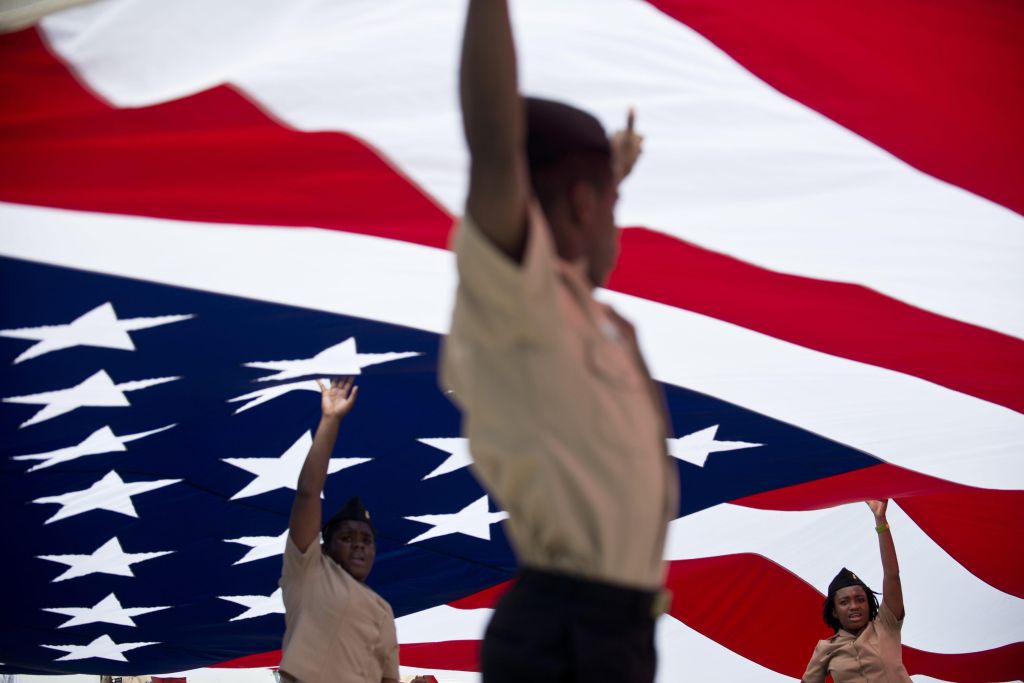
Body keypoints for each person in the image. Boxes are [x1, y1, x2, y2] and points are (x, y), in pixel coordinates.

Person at [441, 2, 678, 680]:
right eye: (612, 206)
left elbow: (562, 214)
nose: (618, 226)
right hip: (567, 633)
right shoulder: (520, 299)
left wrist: (607, 172)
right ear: (581, 205)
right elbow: (494, 141)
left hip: (617, 630)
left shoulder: (568, 302)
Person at [278, 377, 401, 683]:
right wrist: (330, 421)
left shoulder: (382, 609)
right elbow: (308, 493)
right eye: (347, 538)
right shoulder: (309, 571)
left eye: (367, 540)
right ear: (325, 547)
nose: (359, 546)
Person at [801, 499, 912, 682]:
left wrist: (880, 520)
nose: (854, 606)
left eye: (860, 599)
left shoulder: (886, 625)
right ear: (834, 612)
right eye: (844, 602)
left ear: (868, 604)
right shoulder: (825, 649)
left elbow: (892, 575)